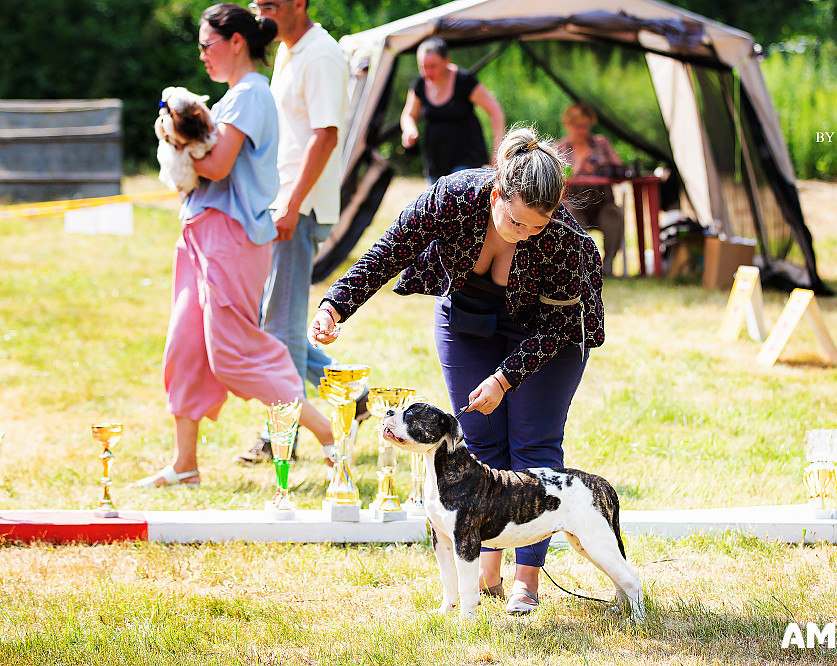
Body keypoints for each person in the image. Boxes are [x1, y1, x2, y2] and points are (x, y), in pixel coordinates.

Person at [308, 127, 605, 616]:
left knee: (533, 444)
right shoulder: (452, 197)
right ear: (495, 194)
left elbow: (555, 329)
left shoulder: (565, 243)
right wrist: (335, 306)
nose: (526, 232)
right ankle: (485, 569)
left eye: (538, 226)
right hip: (468, 317)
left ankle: (525, 583)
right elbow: (390, 250)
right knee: (480, 439)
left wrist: (505, 378)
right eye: (516, 221)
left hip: (547, 336)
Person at [135, 3, 336, 488]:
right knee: (184, 346)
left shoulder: (251, 92)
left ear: (236, 42)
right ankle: (185, 466)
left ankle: (329, 435)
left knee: (233, 353)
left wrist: (172, 137)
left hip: (233, 238)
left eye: (207, 44)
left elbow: (217, 165)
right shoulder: (231, 98)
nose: (203, 54)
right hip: (200, 233)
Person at [234, 0, 355, 465]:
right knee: (275, 324)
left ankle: (279, 435)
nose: (260, 10)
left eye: (270, 3)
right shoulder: (286, 49)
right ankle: (355, 395)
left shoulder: (321, 55)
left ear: (300, 4)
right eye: (257, 2)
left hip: (297, 207)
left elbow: (324, 135)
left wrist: (290, 203)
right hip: (280, 202)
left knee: (277, 329)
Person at [400, 37, 505, 182]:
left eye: (433, 66)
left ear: (446, 61)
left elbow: (496, 112)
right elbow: (409, 115)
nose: (427, 72)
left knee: (456, 194)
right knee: (437, 202)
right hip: (436, 161)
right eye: (423, 66)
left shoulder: (464, 81)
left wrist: (497, 153)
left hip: (467, 158)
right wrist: (410, 130)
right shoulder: (419, 83)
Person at [554, 101, 626, 277]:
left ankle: (607, 266)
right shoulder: (559, 148)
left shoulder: (601, 143)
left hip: (602, 203)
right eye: (579, 126)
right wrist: (578, 167)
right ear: (568, 125)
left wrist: (601, 167)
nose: (583, 131)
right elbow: (556, 180)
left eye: (586, 126)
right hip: (575, 204)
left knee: (614, 215)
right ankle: (580, 268)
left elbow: (619, 168)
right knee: (570, 216)